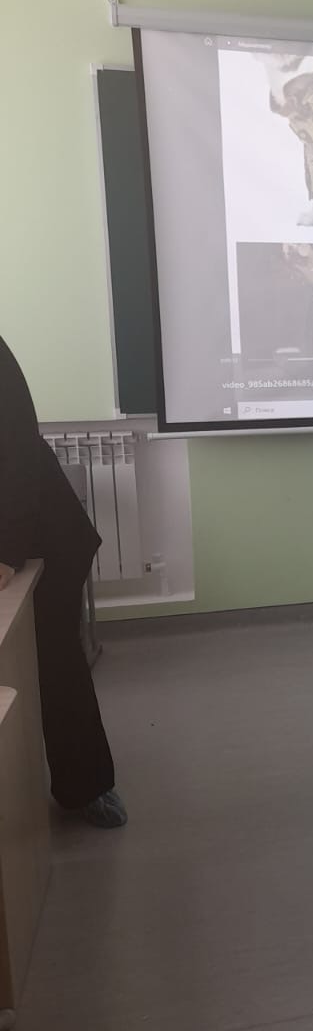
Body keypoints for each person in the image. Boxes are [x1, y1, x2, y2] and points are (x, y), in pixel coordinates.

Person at [0, 333, 126, 827]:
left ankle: (87, 786)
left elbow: (14, 448)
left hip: (42, 536)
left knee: (54, 660)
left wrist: (7, 552)